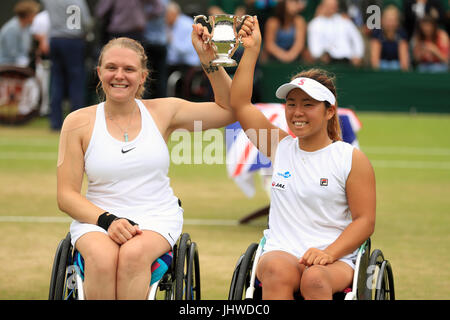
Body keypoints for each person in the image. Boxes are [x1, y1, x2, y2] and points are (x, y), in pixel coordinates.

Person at [56, 23, 234, 299]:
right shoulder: (77, 122)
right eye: (111, 67)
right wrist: (107, 220)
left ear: (143, 76)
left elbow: (229, 109)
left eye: (129, 70)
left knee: (133, 255)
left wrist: (208, 58)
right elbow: (66, 196)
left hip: (155, 215)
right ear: (99, 72)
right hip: (97, 218)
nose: (119, 76)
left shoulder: (164, 111)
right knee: (102, 260)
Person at [230, 16, 375, 299]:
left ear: (329, 111)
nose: (297, 112)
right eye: (291, 104)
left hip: (335, 259)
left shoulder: (350, 159)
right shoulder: (279, 147)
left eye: (308, 105)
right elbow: (239, 104)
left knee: (315, 280)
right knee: (274, 270)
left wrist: (328, 252)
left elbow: (364, 221)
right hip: (282, 251)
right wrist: (252, 51)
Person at [42, 0, 93, 131]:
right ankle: (77, 123)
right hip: (73, 40)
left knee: (57, 81)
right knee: (76, 82)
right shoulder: (77, 1)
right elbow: (87, 22)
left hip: (55, 40)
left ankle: (55, 122)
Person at [307, 0, 364, 66]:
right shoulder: (315, 24)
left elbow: (357, 39)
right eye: (329, 5)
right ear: (323, 6)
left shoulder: (345, 21)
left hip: (347, 62)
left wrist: (358, 55)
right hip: (326, 63)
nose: (332, 7)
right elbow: (314, 46)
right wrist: (319, 56)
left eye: (334, 5)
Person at [0, 0, 40, 67]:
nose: (36, 17)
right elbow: (12, 53)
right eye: (34, 14)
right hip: (7, 66)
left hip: (18, 65)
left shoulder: (26, 28)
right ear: (28, 15)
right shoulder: (12, 28)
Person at [370, 5, 410, 71]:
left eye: (393, 20)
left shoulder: (402, 34)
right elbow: (374, 62)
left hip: (397, 70)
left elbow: (404, 64)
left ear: (397, 22)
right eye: (387, 20)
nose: (390, 24)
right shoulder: (377, 34)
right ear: (382, 20)